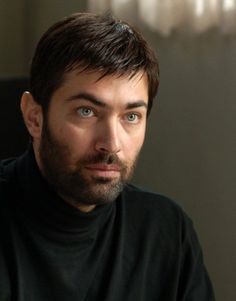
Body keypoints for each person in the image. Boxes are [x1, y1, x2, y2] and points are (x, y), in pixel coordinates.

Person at [0, 12, 215, 301]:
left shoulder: (166, 230)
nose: (112, 144)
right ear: (34, 117)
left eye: (131, 116)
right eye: (86, 112)